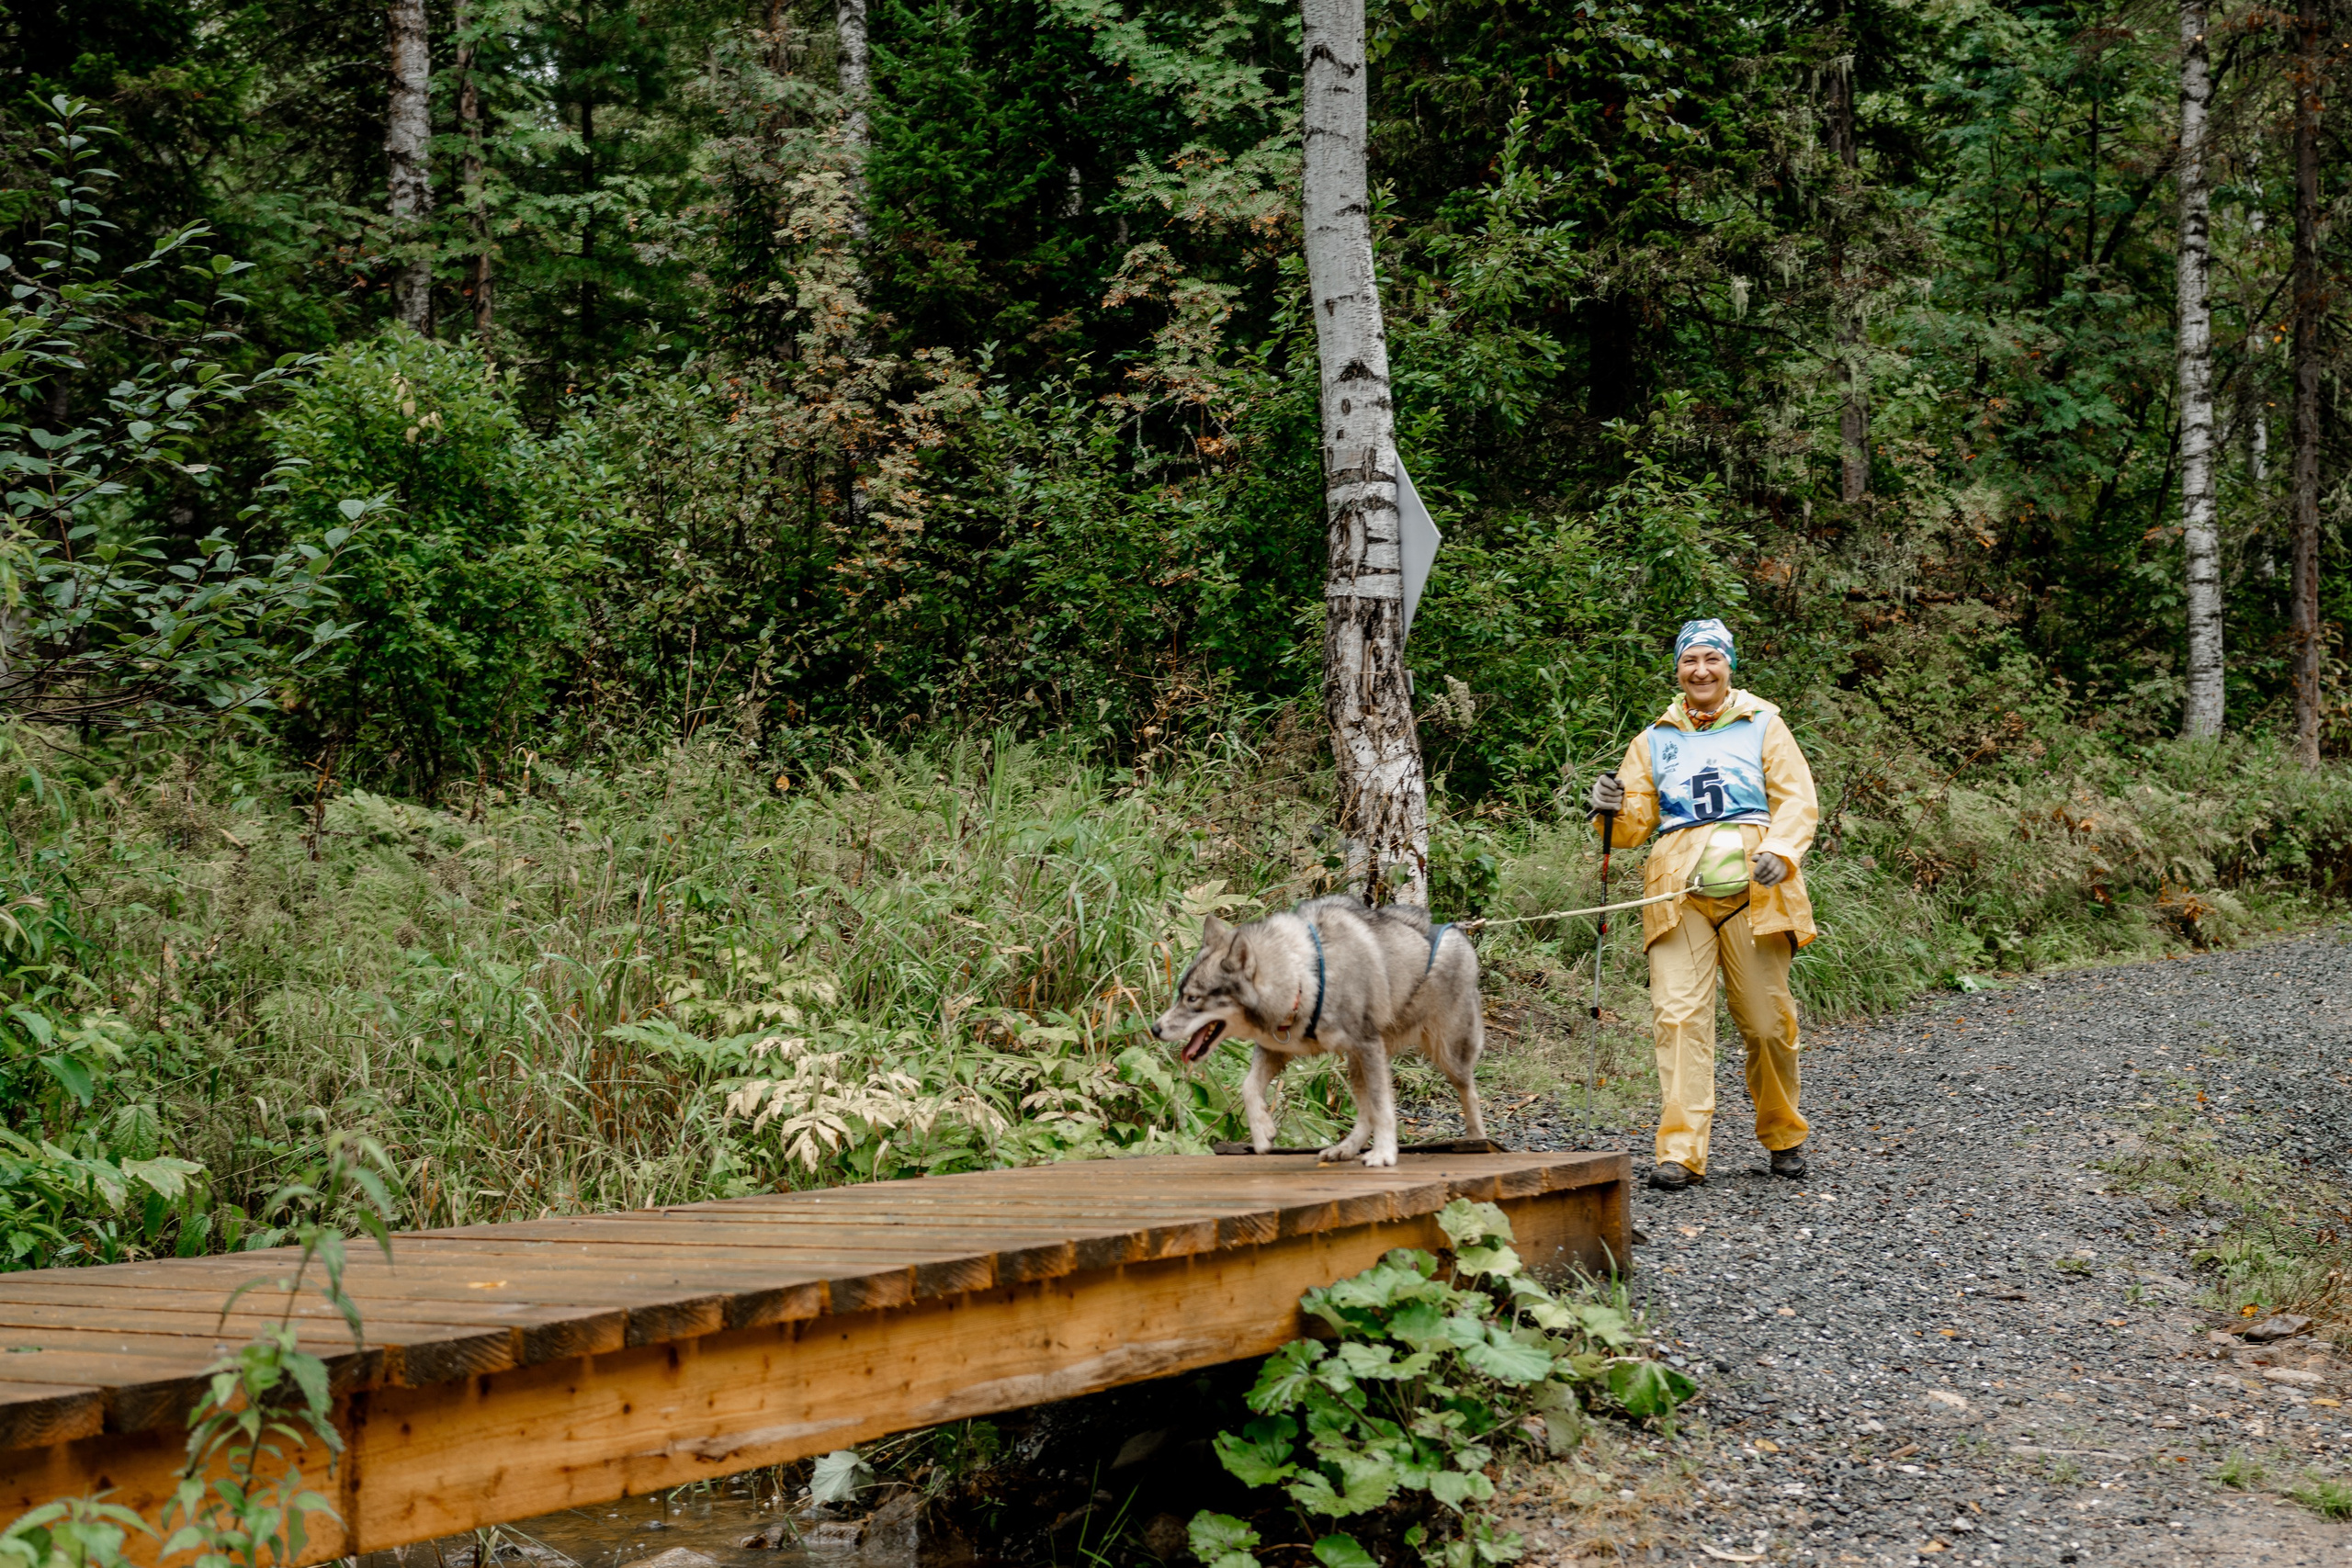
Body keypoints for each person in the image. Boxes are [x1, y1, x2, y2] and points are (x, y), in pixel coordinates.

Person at [1586, 619, 1819, 1190]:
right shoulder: (1653, 740)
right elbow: (1628, 829)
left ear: (1729, 666)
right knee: (1678, 1017)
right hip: (1678, 895)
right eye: (1690, 660)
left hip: (1756, 895)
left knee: (1767, 1025)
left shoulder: (1764, 725)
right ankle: (1681, 1152)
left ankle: (1784, 1134)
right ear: (1678, 670)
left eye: (1712, 658)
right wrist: (1605, 806)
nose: (1702, 670)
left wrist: (1781, 852)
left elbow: (1797, 800)